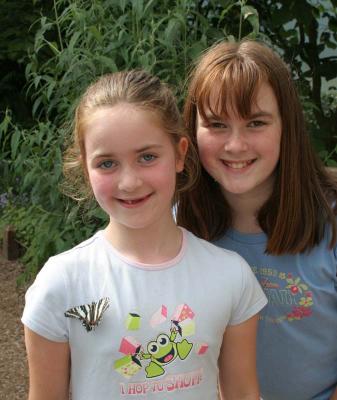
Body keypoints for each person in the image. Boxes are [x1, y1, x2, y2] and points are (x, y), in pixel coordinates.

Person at [21, 69, 267, 400]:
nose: (129, 182)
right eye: (107, 163)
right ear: (85, 166)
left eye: (147, 157)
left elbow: (242, 393)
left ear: (179, 154)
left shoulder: (230, 275)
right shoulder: (61, 283)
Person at [177, 39, 337, 400]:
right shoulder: (174, 226)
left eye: (255, 122)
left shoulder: (332, 217)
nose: (236, 145)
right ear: (191, 132)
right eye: (217, 124)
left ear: (287, 125)